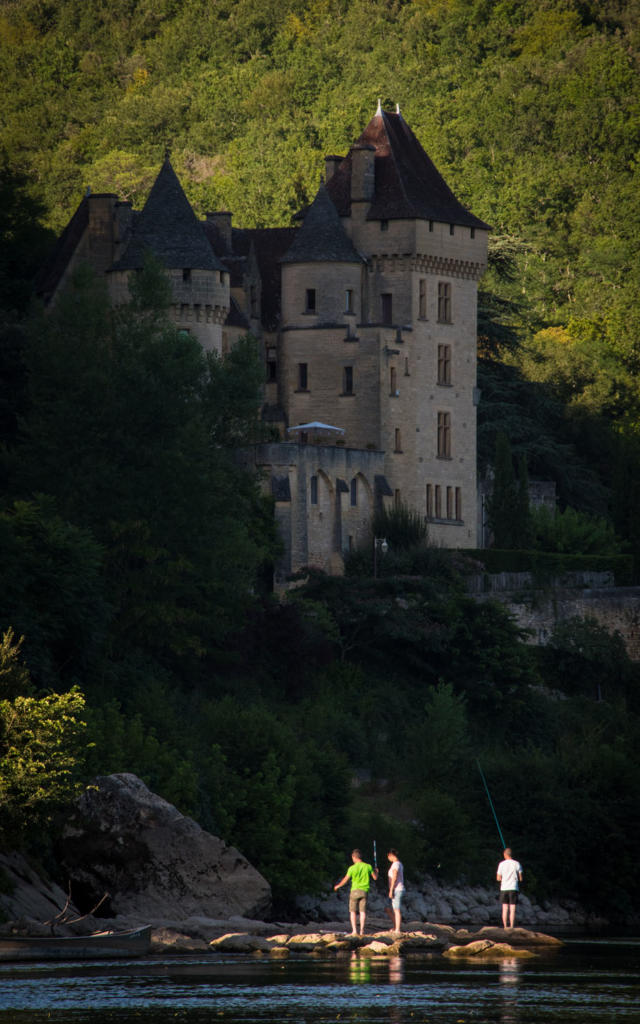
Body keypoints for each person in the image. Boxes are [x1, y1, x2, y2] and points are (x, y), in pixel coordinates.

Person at [334, 849, 379, 936]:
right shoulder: (368, 866)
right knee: (362, 912)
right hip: (364, 891)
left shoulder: (352, 868)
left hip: (354, 891)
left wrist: (338, 886)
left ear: (354, 857)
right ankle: (362, 931)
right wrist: (376, 872)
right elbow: (375, 878)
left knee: (353, 911)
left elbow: (345, 880)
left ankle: (354, 931)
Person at [497, 847, 523, 928]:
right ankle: (511, 927)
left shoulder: (501, 864)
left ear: (505, 854)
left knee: (505, 909)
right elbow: (521, 878)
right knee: (512, 909)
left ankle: (505, 927)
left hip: (504, 888)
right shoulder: (517, 864)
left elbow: (498, 878)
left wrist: (503, 878)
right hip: (513, 888)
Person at [386, 849, 405, 933]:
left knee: (396, 909)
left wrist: (391, 889)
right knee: (388, 908)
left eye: (388, 856)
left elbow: (395, 876)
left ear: (391, 855)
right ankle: (395, 926)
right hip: (395, 889)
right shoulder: (397, 864)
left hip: (397, 889)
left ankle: (398, 929)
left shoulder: (396, 864)